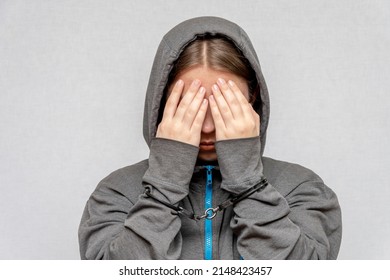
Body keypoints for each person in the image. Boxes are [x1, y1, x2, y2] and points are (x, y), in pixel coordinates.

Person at [78, 16, 342, 260]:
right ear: (163, 102)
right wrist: (165, 182)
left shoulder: (301, 187)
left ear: (252, 97)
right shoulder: (117, 191)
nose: (205, 127)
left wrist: (247, 180)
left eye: (223, 104)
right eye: (189, 104)